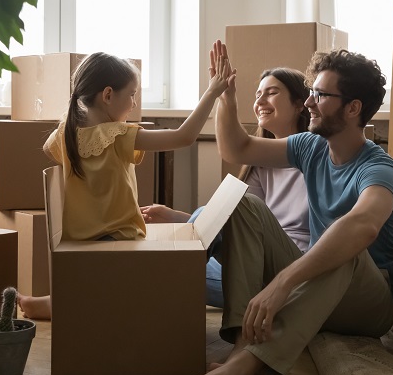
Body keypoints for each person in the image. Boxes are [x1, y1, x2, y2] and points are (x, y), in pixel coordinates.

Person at [177, 41, 393, 375]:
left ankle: (245, 366)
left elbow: (363, 224)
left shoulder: (379, 168)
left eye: (321, 95)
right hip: (319, 290)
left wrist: (283, 281)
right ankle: (242, 341)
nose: (309, 102)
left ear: (353, 108)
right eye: (311, 92)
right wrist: (226, 97)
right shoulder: (310, 147)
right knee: (241, 203)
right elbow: (236, 149)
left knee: (343, 246)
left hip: (367, 304)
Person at [17, 50, 233, 319]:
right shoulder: (116, 135)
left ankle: (56, 301)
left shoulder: (65, 133)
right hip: (120, 242)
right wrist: (212, 92)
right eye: (131, 94)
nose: (133, 103)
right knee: (194, 254)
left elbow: (53, 152)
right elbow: (185, 136)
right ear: (107, 95)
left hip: (80, 246)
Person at [140, 67, 312, 307]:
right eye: (257, 95)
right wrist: (179, 218)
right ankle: (164, 280)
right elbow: (236, 220)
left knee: (177, 273)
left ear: (300, 104)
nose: (260, 101)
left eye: (271, 93)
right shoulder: (261, 163)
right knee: (172, 270)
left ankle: (164, 285)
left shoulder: (317, 155)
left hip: (293, 269)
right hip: (256, 261)